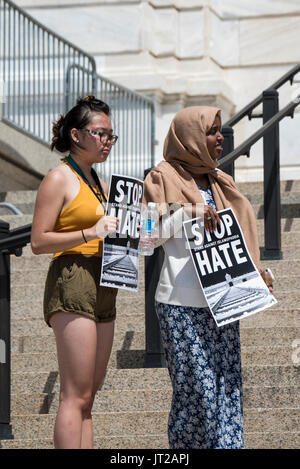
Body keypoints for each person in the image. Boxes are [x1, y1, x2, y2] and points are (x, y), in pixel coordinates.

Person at [143, 106, 273, 449]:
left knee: (226, 393)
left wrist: (256, 275)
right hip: (181, 307)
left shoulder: (219, 180)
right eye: (212, 131)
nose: (221, 138)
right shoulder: (161, 177)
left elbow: (235, 237)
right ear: (190, 138)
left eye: (220, 130)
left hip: (224, 303)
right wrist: (188, 213)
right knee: (195, 396)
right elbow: (144, 237)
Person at [31, 96, 119, 449]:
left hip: (104, 277)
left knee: (88, 397)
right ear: (77, 135)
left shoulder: (97, 179)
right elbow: (38, 241)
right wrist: (90, 233)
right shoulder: (59, 178)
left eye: (112, 136)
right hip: (73, 276)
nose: (107, 142)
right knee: (74, 395)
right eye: (101, 134)